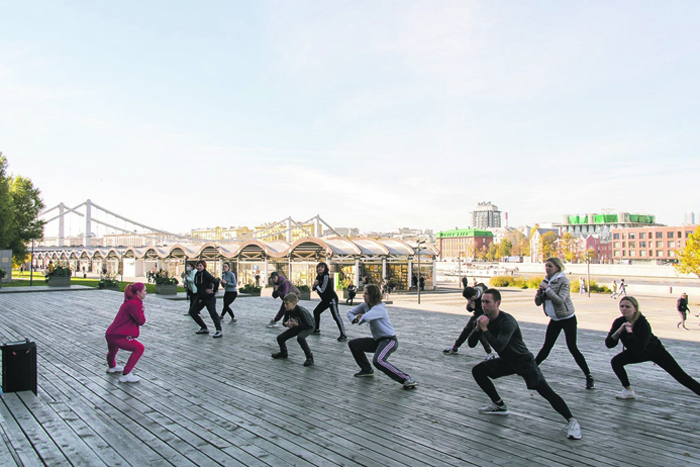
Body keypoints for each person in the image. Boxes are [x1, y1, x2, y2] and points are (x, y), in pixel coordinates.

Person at [469, 288, 582, 440]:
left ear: (497, 303)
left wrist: (485, 329)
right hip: (507, 361)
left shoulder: (507, 321)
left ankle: (572, 421)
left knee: (545, 391)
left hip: (523, 361)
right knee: (478, 371)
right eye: (482, 302)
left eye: (487, 302)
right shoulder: (483, 319)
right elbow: (471, 344)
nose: (484, 305)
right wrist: (477, 329)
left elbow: (499, 346)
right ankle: (499, 405)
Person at [606, 296, 700, 399]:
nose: (624, 309)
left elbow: (639, 348)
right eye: (622, 306)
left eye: (627, 306)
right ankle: (628, 390)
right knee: (616, 362)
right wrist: (619, 331)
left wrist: (629, 332)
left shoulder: (643, 324)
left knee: (681, 376)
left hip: (656, 351)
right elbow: (609, 344)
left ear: (635, 309)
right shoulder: (619, 322)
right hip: (636, 352)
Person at [534, 257, 595, 390]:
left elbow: (561, 300)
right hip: (555, 319)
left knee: (572, 347)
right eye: (546, 266)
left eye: (550, 266)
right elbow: (538, 302)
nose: (547, 268)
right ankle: (531, 368)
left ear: (557, 267)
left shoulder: (563, 281)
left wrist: (548, 290)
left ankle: (588, 376)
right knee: (546, 347)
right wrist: (539, 293)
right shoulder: (546, 281)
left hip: (567, 319)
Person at [346, 284, 417, 389]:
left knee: (378, 361)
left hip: (389, 341)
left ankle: (406, 379)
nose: (363, 296)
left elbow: (366, 317)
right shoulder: (365, 305)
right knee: (354, 344)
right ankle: (367, 370)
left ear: (372, 295)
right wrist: (354, 319)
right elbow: (350, 312)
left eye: (366, 294)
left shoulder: (379, 308)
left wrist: (360, 318)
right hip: (378, 341)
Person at [105, 283, 147, 383]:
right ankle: (126, 374)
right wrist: (142, 311)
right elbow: (141, 321)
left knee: (113, 350)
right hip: (119, 335)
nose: (146, 293)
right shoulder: (134, 304)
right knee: (139, 348)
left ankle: (112, 366)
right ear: (138, 292)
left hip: (111, 333)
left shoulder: (129, 301)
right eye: (144, 291)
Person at [443, 283, 496, 360]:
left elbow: (488, 309)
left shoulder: (484, 297)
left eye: (469, 299)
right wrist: (470, 307)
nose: (469, 300)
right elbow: (469, 309)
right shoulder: (472, 293)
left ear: (473, 296)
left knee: (479, 332)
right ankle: (455, 347)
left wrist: (475, 307)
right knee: (467, 329)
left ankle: (490, 353)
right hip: (477, 314)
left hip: (486, 315)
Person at [271, 293, 315, 367]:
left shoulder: (301, 311)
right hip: (297, 326)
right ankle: (283, 353)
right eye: (284, 304)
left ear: (293, 303)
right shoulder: (288, 310)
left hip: (308, 327)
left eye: (287, 304)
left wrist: (297, 325)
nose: (285, 306)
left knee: (300, 338)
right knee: (280, 338)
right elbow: (284, 322)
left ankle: (309, 357)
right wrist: (287, 323)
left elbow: (309, 325)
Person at [311, 262, 347, 341]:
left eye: (322, 267)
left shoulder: (326, 276)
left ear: (325, 269)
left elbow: (323, 290)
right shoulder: (318, 276)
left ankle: (343, 334)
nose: (320, 269)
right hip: (325, 300)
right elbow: (313, 288)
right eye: (319, 267)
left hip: (331, 299)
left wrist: (316, 286)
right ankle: (316, 329)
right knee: (316, 311)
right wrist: (314, 285)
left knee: (336, 316)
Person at [189, 260, 223, 338]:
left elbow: (216, 282)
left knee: (213, 313)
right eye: (198, 266)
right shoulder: (197, 274)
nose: (199, 267)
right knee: (193, 312)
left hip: (209, 298)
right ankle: (204, 327)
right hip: (200, 297)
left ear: (204, 266)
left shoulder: (206, 274)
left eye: (200, 266)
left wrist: (213, 291)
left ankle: (218, 330)